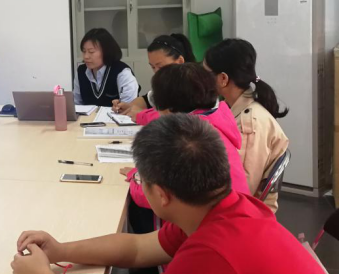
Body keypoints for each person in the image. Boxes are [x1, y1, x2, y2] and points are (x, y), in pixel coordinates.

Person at [10, 114, 332, 274]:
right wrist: (60, 250)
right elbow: (138, 248)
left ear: (162, 195)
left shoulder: (212, 255)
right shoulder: (223, 208)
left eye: (141, 180)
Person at [123, 63, 250, 235]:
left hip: (210, 231)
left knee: (137, 213)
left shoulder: (185, 140)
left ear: (167, 109)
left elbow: (155, 198)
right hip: (237, 218)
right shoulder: (213, 119)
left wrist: (136, 177)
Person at [204, 38, 289, 213]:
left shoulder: (248, 125)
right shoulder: (233, 108)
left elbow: (242, 190)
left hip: (245, 215)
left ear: (223, 78)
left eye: (206, 74)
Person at [112, 33, 194, 120]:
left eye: (161, 67)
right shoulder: (166, 84)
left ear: (180, 61)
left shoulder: (192, 84)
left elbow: (177, 117)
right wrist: (129, 107)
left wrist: (142, 114)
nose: (156, 72)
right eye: (153, 67)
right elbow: (146, 100)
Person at [73, 28, 139, 107]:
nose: (86, 56)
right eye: (84, 51)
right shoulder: (81, 71)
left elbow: (128, 108)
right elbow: (76, 104)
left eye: (91, 52)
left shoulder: (122, 72)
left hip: (116, 115)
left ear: (106, 51)